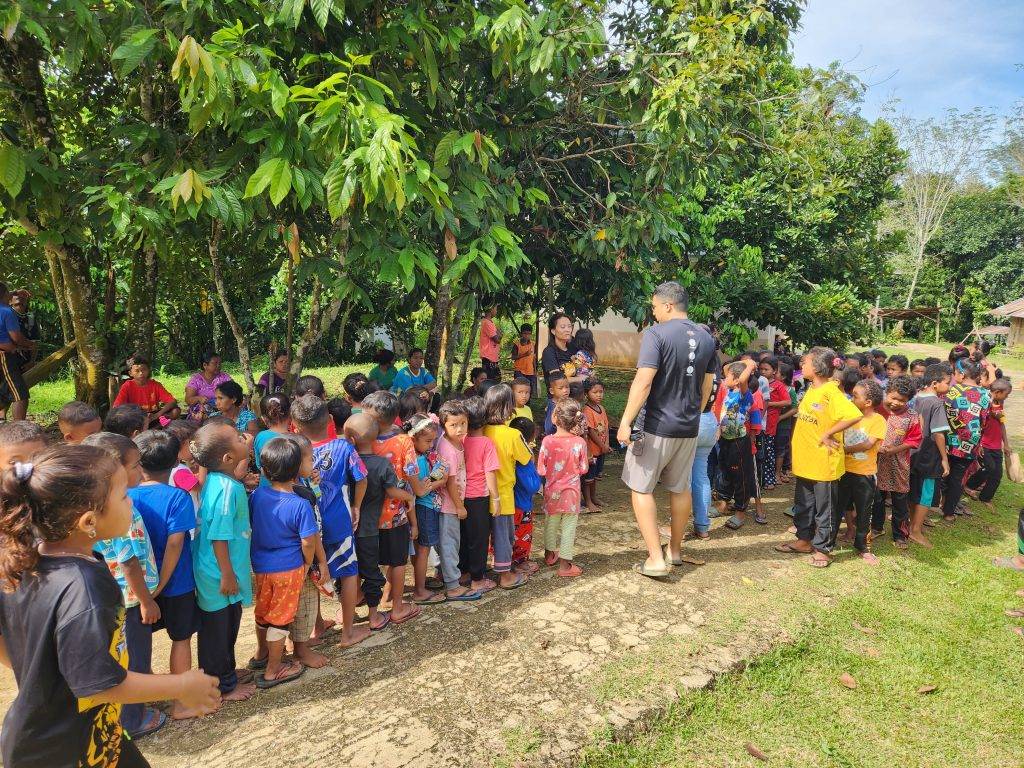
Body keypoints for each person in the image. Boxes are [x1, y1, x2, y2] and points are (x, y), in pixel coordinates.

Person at [0, 445, 221, 768]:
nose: (131, 500)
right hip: (64, 749)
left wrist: (37, 668)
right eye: (123, 496)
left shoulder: (28, 562)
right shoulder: (85, 588)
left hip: (79, 731)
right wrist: (182, 684)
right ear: (89, 521)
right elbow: (101, 683)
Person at [616, 282, 716, 578]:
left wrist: (624, 422)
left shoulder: (655, 334)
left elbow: (644, 381)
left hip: (656, 425)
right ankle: (674, 551)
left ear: (668, 305)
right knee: (679, 487)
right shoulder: (707, 338)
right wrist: (694, 413)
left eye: (655, 307)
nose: (654, 312)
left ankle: (655, 559)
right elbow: (707, 384)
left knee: (640, 488)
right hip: (688, 426)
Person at [291, 394, 372, 645]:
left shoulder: (292, 450)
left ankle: (316, 628)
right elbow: (361, 478)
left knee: (311, 572)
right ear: (329, 419)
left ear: (295, 425)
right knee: (348, 572)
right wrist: (356, 506)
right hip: (337, 519)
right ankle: (347, 632)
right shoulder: (344, 447)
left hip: (305, 525)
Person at [773, 348, 862, 568]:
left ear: (818, 368)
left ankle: (823, 548)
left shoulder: (831, 392)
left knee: (826, 509)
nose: (801, 365)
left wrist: (828, 433)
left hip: (824, 463)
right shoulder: (812, 388)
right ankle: (804, 540)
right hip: (806, 461)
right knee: (804, 505)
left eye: (805, 362)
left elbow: (853, 414)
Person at [190, 421, 257, 701]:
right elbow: (219, 536)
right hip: (219, 572)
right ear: (228, 458)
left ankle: (225, 673)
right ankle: (223, 685)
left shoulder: (221, 481)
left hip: (218, 568)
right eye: (238, 438)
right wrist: (228, 574)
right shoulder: (227, 490)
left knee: (227, 624)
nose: (244, 437)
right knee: (218, 630)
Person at [346, 412, 425, 628]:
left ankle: (347, 614)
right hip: (383, 522)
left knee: (355, 570)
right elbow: (392, 490)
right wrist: (409, 496)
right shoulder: (382, 464)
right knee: (392, 564)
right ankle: (385, 612)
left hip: (353, 526)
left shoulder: (347, 460)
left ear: (350, 440)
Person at [248, 437, 315, 688]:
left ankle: (262, 654)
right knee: (281, 618)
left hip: (261, 566)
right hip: (288, 567)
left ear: (264, 470)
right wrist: (307, 563)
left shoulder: (256, 496)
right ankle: (273, 670)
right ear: (297, 469)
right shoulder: (300, 505)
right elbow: (308, 541)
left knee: (264, 612)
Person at [363, 390, 422, 623]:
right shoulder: (403, 441)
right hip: (396, 513)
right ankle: (397, 607)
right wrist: (418, 491)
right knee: (397, 562)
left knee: (369, 562)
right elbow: (411, 472)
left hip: (368, 515)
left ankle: (371, 608)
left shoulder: (361, 441)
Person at [483, 384, 533, 589]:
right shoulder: (512, 435)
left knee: (485, 534)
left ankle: (483, 569)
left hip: (480, 493)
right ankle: (505, 576)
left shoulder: (481, 430)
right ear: (509, 406)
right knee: (504, 535)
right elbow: (525, 458)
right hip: (503, 493)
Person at [432, 401, 481, 601]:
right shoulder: (448, 448)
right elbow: (450, 482)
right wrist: (460, 506)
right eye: (453, 425)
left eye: (463, 423)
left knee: (450, 542)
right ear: (444, 425)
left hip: (451, 503)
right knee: (449, 544)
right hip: (448, 504)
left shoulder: (454, 442)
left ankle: (448, 575)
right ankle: (452, 586)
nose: (459, 428)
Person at [835, 379, 887, 562]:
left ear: (868, 403)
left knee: (865, 512)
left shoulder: (878, 420)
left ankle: (863, 546)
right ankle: (827, 541)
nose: (851, 398)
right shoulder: (848, 416)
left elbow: (868, 444)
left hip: (865, 474)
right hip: (843, 471)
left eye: (855, 396)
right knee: (837, 507)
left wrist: (844, 450)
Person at [538, 399, 590, 578]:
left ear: (554, 418)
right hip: (572, 493)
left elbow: (540, 469)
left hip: (551, 490)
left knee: (550, 523)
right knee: (569, 526)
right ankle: (565, 565)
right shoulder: (579, 442)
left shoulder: (547, 441)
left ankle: (549, 554)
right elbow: (584, 469)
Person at [405, 414, 450, 603]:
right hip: (424, 507)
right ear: (413, 438)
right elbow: (422, 491)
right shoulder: (415, 460)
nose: (431, 445)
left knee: (420, 550)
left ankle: (420, 585)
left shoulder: (422, 455)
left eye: (433, 440)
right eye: (428, 441)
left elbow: (442, 475)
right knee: (423, 550)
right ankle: (420, 590)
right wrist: (436, 482)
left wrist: (435, 482)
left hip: (424, 507)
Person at [941, 358, 991, 523]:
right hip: (971, 441)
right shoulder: (985, 394)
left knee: (944, 472)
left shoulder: (953, 390)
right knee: (958, 477)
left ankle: (939, 502)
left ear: (961, 374)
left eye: (955, 373)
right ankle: (949, 512)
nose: (955, 376)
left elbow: (945, 415)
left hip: (949, 440)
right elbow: (984, 421)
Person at [873, 375, 921, 547]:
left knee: (899, 500)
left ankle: (900, 535)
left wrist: (894, 449)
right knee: (877, 497)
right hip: (876, 462)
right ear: (887, 393)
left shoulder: (912, 416)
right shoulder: (877, 409)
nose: (896, 402)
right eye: (893, 398)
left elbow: (914, 440)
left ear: (908, 399)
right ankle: (877, 527)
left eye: (902, 400)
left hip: (899, 464)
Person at [713, 360, 762, 529]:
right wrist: (742, 362)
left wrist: (749, 365)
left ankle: (740, 510)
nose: (724, 377)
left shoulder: (744, 394)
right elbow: (728, 368)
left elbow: (742, 380)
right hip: (725, 439)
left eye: (727, 377)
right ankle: (724, 502)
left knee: (740, 477)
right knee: (725, 472)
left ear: (736, 380)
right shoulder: (728, 391)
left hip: (739, 442)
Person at [908, 363, 952, 549]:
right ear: (935, 383)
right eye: (947, 383)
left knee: (913, 490)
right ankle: (915, 531)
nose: (949, 387)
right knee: (926, 493)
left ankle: (912, 525)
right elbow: (938, 434)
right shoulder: (936, 403)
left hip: (911, 452)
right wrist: (944, 458)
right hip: (929, 455)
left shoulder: (915, 397)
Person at [460, 396, 500, 594]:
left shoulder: (460, 439)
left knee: (464, 536)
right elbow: (489, 473)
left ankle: (465, 572)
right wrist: (496, 498)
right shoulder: (486, 443)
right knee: (479, 538)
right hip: (479, 496)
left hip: (460, 496)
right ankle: (477, 579)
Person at [965, 378, 1012, 508]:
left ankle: (986, 497)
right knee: (989, 468)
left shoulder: (999, 404)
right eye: (1006, 394)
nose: (1007, 397)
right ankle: (969, 486)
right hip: (984, 444)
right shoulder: (985, 404)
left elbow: (1002, 425)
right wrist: (978, 444)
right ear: (997, 391)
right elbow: (978, 425)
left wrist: (1006, 444)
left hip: (996, 446)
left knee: (997, 474)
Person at [0, 281, 37, 421]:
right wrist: (29, 344)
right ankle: (19, 428)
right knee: (20, 394)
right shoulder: (7, 312)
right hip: (5, 357)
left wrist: (15, 292)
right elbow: (17, 338)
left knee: (5, 390)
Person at [509, 416, 542, 574]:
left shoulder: (507, 453)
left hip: (508, 503)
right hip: (522, 506)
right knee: (522, 535)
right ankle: (521, 562)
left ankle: (504, 560)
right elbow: (532, 485)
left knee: (508, 534)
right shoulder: (524, 459)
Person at [113, 354, 179, 425]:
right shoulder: (127, 385)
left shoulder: (155, 384)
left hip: (153, 416)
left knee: (176, 411)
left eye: (144, 369)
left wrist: (156, 415)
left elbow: (172, 401)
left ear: (148, 370)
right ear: (130, 373)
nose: (141, 373)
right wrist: (133, 415)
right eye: (137, 371)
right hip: (135, 417)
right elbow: (117, 407)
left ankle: (157, 426)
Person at [761, 356, 789, 492]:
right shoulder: (759, 382)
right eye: (761, 369)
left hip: (770, 423)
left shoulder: (778, 385)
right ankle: (760, 480)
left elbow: (787, 402)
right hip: (759, 422)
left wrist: (769, 403)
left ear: (774, 371)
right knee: (760, 452)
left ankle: (770, 479)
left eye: (766, 369)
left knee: (769, 452)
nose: (763, 371)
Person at [582, 378, 610, 512]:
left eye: (601, 392)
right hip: (591, 450)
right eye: (595, 392)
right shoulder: (586, 410)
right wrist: (602, 445)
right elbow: (590, 430)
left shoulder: (601, 408)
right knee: (588, 478)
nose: (599, 395)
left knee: (595, 477)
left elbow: (606, 427)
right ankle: (588, 501)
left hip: (601, 449)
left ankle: (594, 497)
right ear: (587, 393)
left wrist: (606, 444)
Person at [253, 393, 291, 486]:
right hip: (290, 490)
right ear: (290, 414)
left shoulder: (261, 437)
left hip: (266, 488)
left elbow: (259, 465)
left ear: (264, 419)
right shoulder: (296, 438)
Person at [184, 351, 233, 421]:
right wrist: (198, 398)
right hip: (202, 411)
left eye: (219, 363)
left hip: (222, 408)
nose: (218, 366)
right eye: (215, 363)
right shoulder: (196, 379)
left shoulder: (224, 377)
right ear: (205, 365)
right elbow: (188, 400)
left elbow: (235, 391)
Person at [541, 312, 583, 392]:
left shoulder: (573, 349)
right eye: (563, 327)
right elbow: (558, 380)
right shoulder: (549, 352)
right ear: (553, 331)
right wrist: (581, 378)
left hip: (576, 398)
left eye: (569, 326)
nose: (567, 330)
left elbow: (583, 367)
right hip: (558, 401)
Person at [9, 290, 39, 367]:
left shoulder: (30, 319)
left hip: (24, 361)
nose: (20, 297)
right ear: (10, 301)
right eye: (17, 295)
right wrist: (15, 292)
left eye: (23, 296)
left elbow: (34, 342)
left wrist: (31, 362)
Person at [511, 324, 537, 397]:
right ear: (521, 334)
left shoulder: (533, 344)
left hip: (530, 371)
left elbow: (533, 358)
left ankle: (527, 406)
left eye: (529, 334)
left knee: (528, 391)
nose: (527, 336)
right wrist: (524, 354)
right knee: (519, 389)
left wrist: (535, 371)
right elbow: (513, 357)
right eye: (525, 333)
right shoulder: (517, 344)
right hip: (519, 371)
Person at [479, 306, 502, 381]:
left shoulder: (490, 322)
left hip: (492, 357)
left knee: (495, 379)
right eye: (495, 308)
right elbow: (497, 340)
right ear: (491, 309)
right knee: (490, 381)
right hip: (489, 357)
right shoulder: (487, 323)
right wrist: (500, 334)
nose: (496, 310)